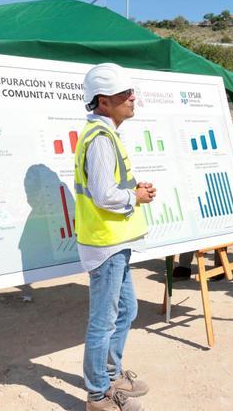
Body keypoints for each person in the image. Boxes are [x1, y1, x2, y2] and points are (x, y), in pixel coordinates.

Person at [75, 63, 153, 411]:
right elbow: (104, 194)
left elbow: (109, 188)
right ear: (103, 102)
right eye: (125, 94)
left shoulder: (105, 135)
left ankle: (110, 373)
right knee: (104, 321)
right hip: (105, 243)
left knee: (127, 310)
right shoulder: (101, 139)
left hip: (114, 240)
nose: (132, 98)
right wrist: (135, 197)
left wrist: (135, 189)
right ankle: (97, 394)